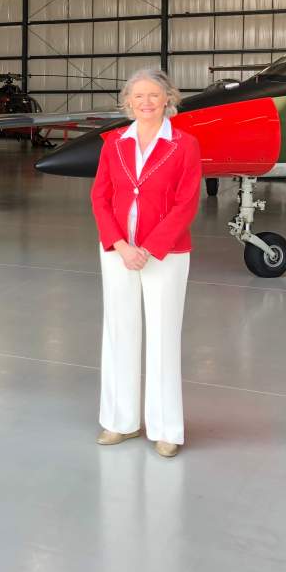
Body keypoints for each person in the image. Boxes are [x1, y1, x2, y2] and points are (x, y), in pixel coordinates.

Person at [90, 69, 201, 457]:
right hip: (118, 251)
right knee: (119, 332)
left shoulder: (184, 144)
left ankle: (166, 428)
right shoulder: (113, 143)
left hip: (166, 254)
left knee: (162, 336)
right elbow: (100, 197)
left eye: (154, 95)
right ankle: (119, 422)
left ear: (168, 98)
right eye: (139, 96)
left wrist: (149, 249)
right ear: (128, 102)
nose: (147, 102)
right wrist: (121, 245)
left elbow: (187, 203)